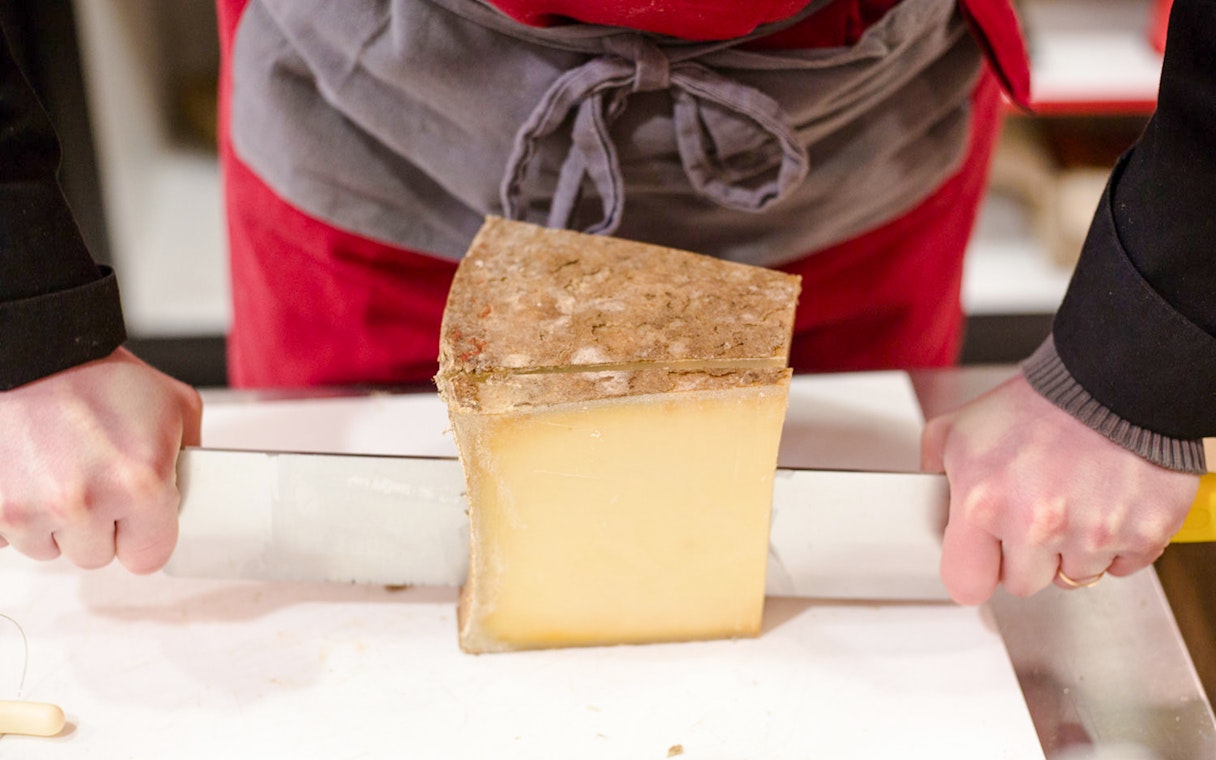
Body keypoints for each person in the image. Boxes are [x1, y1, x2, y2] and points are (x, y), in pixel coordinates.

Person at [0, 0, 1209, 604]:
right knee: (356, 607)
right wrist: (19, 316)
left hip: (849, 150)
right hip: (379, 134)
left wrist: (1148, 347)